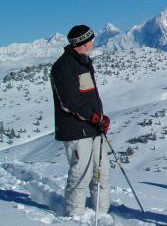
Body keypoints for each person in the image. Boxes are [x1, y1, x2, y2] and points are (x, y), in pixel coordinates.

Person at [49, 25, 111, 217]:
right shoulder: (63, 66)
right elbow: (69, 101)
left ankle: (102, 213)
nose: (94, 43)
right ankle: (75, 215)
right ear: (82, 43)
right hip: (76, 130)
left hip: (93, 128)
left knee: (101, 172)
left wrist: (100, 118)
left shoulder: (84, 62)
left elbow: (88, 96)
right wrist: (94, 117)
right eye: (91, 40)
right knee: (81, 175)